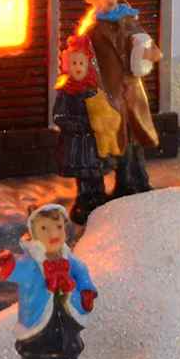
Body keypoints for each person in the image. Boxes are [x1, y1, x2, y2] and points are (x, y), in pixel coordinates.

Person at [0, 204, 98, 359]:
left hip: (66, 317)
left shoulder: (70, 260)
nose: (53, 234)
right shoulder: (31, 264)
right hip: (38, 322)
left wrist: (87, 291)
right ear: (33, 233)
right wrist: (7, 267)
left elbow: (83, 274)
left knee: (67, 356)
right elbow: (18, 271)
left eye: (58, 227)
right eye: (44, 228)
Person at [81, 0, 162, 197]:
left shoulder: (129, 21)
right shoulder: (92, 29)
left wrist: (150, 52)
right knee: (118, 136)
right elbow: (85, 58)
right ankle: (123, 182)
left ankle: (140, 179)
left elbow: (149, 46)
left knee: (135, 133)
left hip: (131, 87)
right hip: (109, 88)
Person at [53, 36, 115, 225]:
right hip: (77, 144)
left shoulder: (93, 89)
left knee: (96, 172)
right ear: (67, 66)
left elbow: (105, 111)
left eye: (81, 63)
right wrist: (76, 125)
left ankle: (99, 197)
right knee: (83, 175)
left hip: (93, 143)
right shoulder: (66, 92)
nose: (78, 67)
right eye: (74, 63)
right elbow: (59, 116)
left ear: (88, 65)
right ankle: (85, 200)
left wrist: (103, 121)